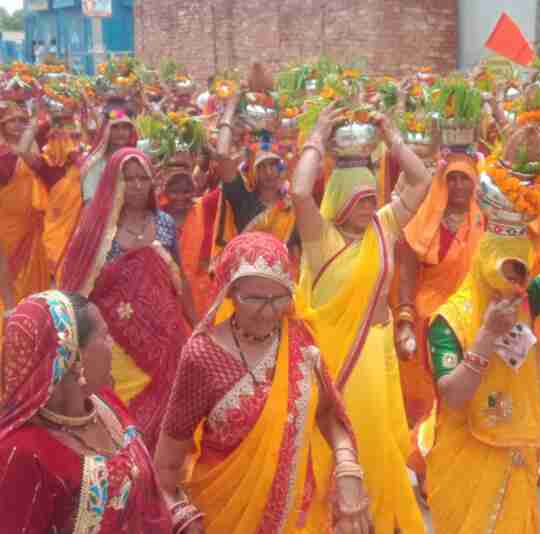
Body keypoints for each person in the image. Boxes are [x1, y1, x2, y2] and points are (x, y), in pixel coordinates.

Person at [154, 232, 372, 534]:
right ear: (228, 292)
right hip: (224, 517)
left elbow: (327, 413)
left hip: (300, 516)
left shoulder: (300, 340)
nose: (267, 310)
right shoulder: (203, 355)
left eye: (279, 298)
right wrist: (182, 518)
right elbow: (165, 465)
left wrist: (348, 467)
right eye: (254, 298)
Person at [425, 141, 540, 534]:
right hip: (466, 450)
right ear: (485, 263)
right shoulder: (449, 320)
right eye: (509, 271)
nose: (516, 283)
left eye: (522, 271)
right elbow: (451, 394)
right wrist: (485, 337)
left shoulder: (527, 299)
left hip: (515, 449)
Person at [292, 103, 431, 533]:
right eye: (361, 200)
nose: (370, 206)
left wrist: (390, 134)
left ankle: (378, 520)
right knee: (347, 443)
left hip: (380, 352)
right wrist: (316, 136)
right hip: (342, 362)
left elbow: (423, 180)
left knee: (384, 442)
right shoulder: (323, 240)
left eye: (373, 197)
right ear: (341, 200)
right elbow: (299, 193)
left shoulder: (382, 227)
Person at [0, 290, 171, 532]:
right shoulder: (20, 454)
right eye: (104, 337)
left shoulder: (107, 403)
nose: (112, 347)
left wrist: (180, 514)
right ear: (74, 357)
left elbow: (146, 487)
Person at [58, 148, 195, 451]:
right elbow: (77, 285)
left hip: (165, 335)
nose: (135, 185)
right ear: (112, 181)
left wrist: (197, 324)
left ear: (152, 182)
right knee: (123, 413)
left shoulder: (165, 224)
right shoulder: (96, 229)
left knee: (168, 409)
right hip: (118, 343)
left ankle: (157, 477)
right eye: (127, 178)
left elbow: (178, 277)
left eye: (142, 178)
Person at [394, 151, 483, 430]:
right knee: (427, 401)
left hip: (471, 319)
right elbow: (406, 272)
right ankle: (424, 464)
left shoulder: (487, 221)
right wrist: (405, 320)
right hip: (427, 319)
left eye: (464, 179)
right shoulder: (425, 221)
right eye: (452, 178)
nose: (458, 185)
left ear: (475, 183)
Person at [0, 100, 52, 312]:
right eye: (12, 120)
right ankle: (11, 311)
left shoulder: (33, 148)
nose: (18, 124)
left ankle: (34, 316)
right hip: (9, 226)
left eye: (22, 119)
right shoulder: (3, 155)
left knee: (37, 279)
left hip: (35, 226)